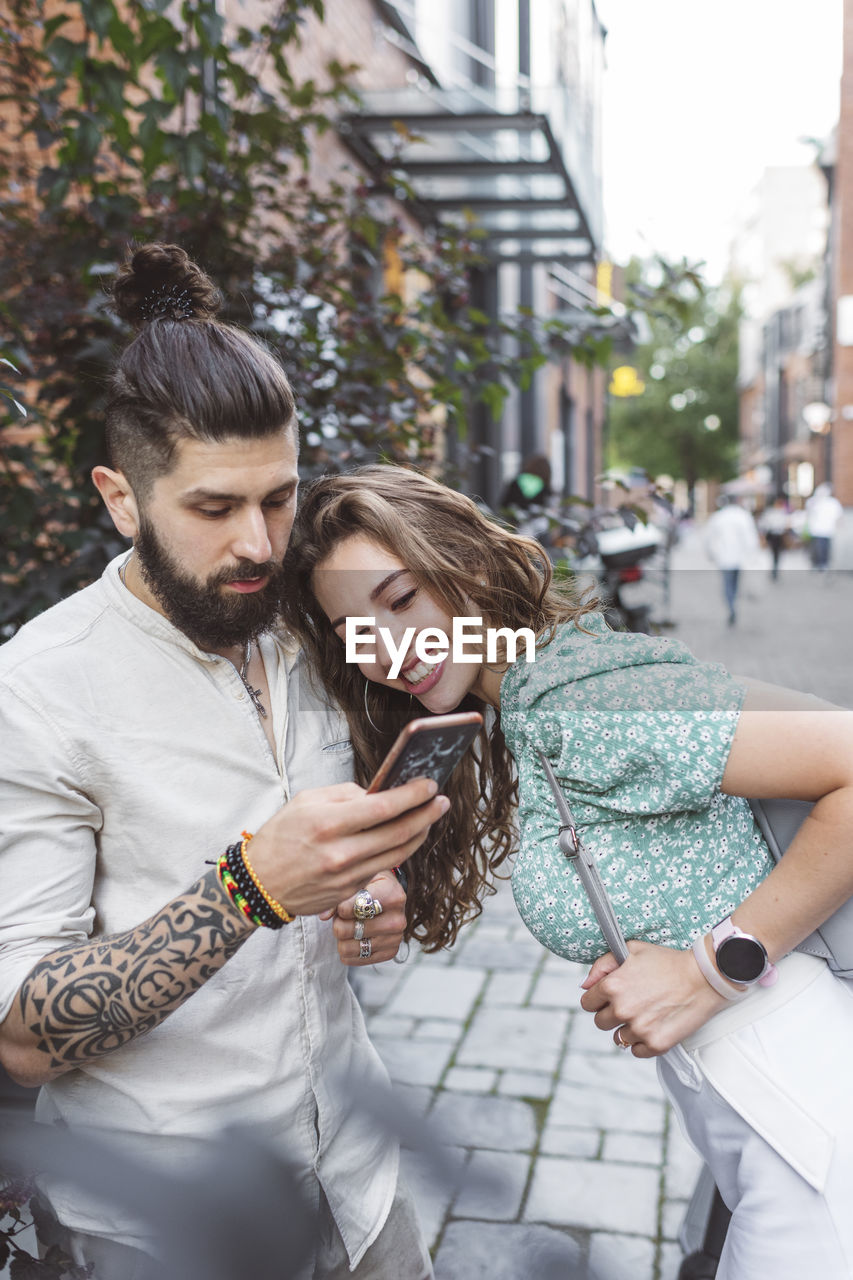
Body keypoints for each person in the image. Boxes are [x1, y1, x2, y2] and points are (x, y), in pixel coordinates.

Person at [282, 463, 853, 1280]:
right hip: (763, 1129)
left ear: (466, 567)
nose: (388, 648)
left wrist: (714, 970)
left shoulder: (578, 700)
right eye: (354, 632)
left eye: (402, 599)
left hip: (807, 1132)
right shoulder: (534, 695)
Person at [0, 247, 449, 1280]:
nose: (258, 542)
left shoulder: (309, 622)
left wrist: (372, 887)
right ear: (121, 497)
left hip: (364, 1181)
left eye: (280, 499)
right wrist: (250, 888)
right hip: (172, 1226)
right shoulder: (36, 691)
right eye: (212, 508)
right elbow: (23, 1034)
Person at [703, 494, 761, 625]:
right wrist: (753, 554)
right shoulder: (743, 516)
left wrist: (711, 553)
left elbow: (709, 537)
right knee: (735, 582)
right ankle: (733, 603)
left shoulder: (718, 517)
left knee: (727, 583)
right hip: (739, 557)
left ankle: (731, 605)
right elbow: (751, 537)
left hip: (724, 557)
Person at [805, 481, 844, 571]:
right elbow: (809, 512)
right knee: (817, 548)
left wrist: (839, 525)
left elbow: (839, 515)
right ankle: (817, 563)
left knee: (825, 548)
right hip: (816, 530)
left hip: (827, 530)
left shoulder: (833, 502)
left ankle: (823, 564)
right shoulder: (814, 501)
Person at [757, 494, 791, 581]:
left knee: (777, 554)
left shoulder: (782, 512)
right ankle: (773, 569)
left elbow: (785, 524)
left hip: (779, 535)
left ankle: (775, 570)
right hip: (772, 535)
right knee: (773, 554)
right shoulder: (771, 513)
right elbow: (764, 525)